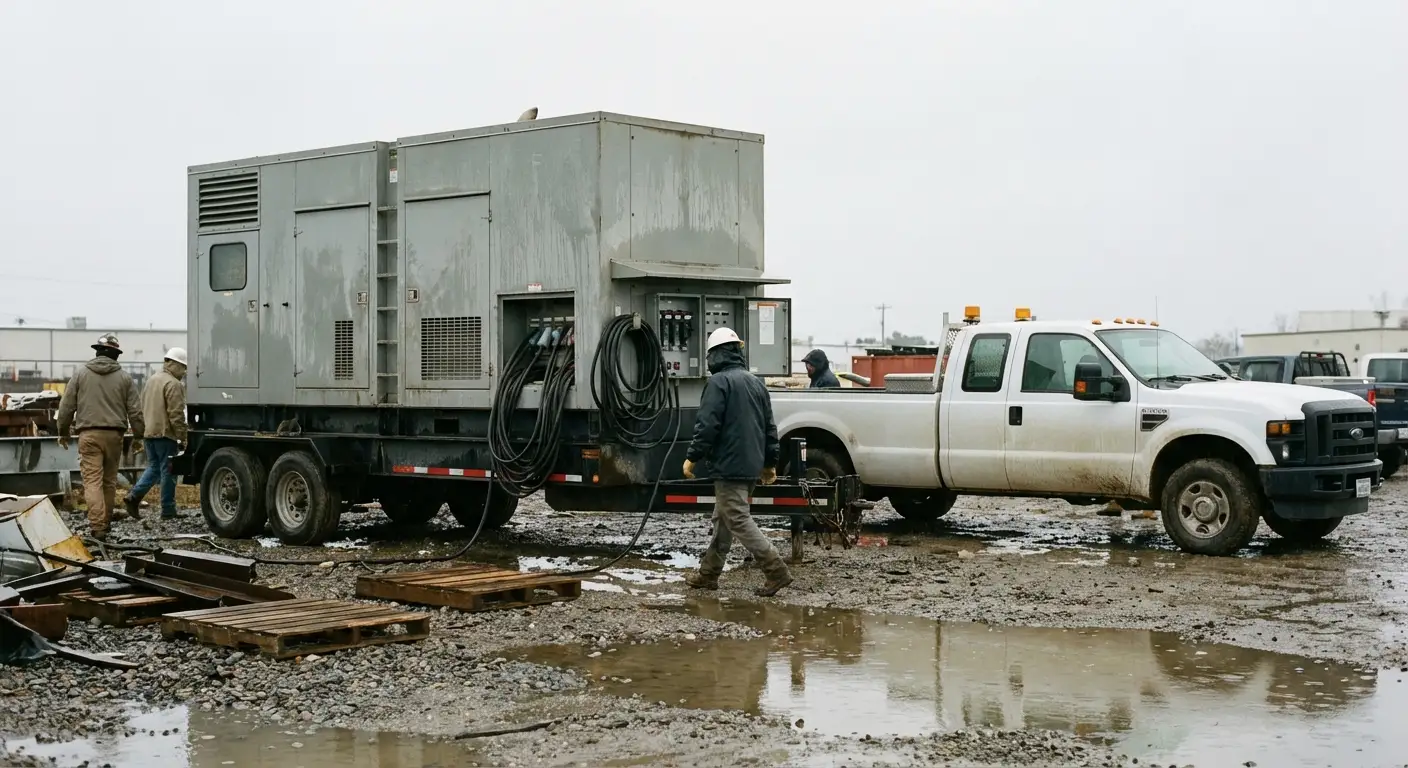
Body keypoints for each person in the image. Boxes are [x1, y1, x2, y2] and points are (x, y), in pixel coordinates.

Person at [682, 327, 793, 597]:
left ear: (715, 355)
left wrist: (692, 457)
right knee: (724, 519)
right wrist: (770, 463)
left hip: (730, 465)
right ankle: (709, 574)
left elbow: (707, 426)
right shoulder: (756, 383)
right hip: (751, 464)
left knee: (738, 519)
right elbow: (769, 428)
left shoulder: (718, 383)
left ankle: (775, 570)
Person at [56, 333, 145, 541]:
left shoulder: (80, 375)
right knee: (109, 482)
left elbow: (66, 407)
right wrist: (139, 436)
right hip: (114, 436)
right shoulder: (124, 378)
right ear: (116, 355)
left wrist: (63, 432)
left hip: (89, 435)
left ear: (97, 352)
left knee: (92, 481)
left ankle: (98, 528)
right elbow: (135, 411)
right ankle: (104, 522)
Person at [125, 347, 189, 521]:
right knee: (168, 472)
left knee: (154, 468)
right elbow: (176, 414)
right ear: (174, 364)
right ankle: (168, 510)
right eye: (183, 367)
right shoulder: (173, 384)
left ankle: (133, 497)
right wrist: (183, 436)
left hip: (149, 433)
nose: (184, 372)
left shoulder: (152, 380)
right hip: (165, 434)